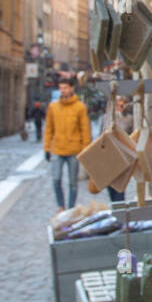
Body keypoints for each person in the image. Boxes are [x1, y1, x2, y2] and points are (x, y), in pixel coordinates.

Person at [44, 76, 92, 212]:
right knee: (56, 179)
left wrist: (85, 150)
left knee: (73, 183)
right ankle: (61, 205)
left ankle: (71, 208)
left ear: (72, 88)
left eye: (65, 87)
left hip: (74, 150)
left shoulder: (80, 107)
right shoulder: (53, 107)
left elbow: (85, 130)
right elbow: (48, 129)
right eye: (60, 88)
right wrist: (47, 148)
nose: (62, 90)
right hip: (57, 149)